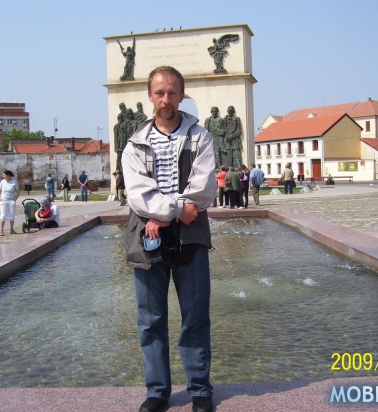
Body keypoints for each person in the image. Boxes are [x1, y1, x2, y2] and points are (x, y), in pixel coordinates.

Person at [122, 66, 215, 412]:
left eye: (172, 92)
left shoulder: (200, 137)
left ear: (182, 96)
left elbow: (203, 186)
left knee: (195, 315)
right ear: (150, 96)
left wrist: (166, 213)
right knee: (150, 319)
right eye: (159, 93)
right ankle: (158, 391)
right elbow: (138, 193)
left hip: (190, 233)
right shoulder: (134, 143)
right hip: (148, 233)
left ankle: (200, 389)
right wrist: (172, 211)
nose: (166, 99)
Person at [0, 169, 20, 236]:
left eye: (4, 175)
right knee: (2, 215)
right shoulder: (2, 182)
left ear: (8, 175)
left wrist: (15, 199)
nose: (3, 176)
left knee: (11, 215)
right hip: (3, 200)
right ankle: (1, 230)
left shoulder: (14, 182)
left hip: (11, 201)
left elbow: (18, 191)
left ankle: (11, 229)